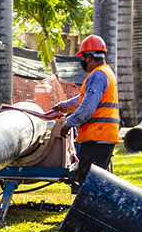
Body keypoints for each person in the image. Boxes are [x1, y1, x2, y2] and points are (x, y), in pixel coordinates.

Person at [47, 34, 119, 187]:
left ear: (89, 57)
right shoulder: (106, 73)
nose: (82, 62)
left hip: (96, 137)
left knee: (89, 181)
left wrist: (68, 124)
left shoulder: (98, 75)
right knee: (94, 180)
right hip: (102, 136)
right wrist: (63, 106)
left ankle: (92, 210)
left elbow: (87, 108)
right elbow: (83, 100)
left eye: (83, 58)